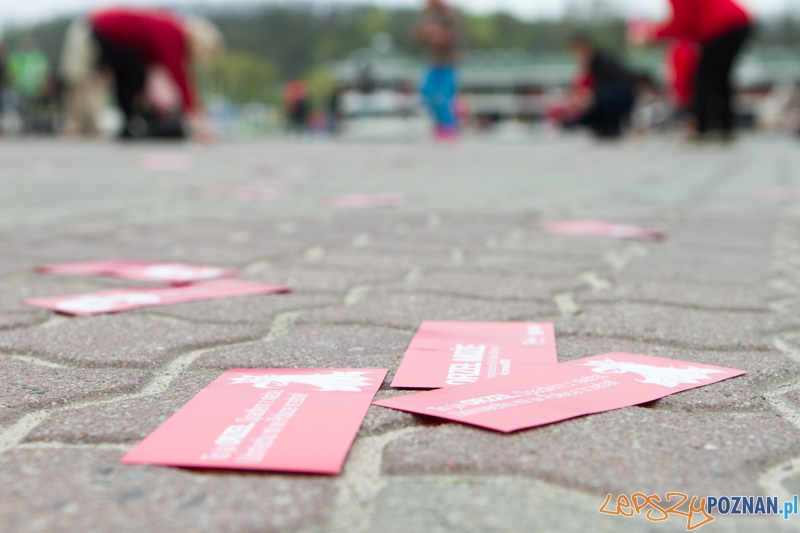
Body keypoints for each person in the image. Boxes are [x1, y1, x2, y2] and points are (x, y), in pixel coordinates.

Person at [60, 8, 223, 140]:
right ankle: (114, 124)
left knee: (134, 77)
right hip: (99, 29)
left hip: (111, 36)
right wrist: (200, 124)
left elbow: (152, 68)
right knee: (89, 82)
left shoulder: (169, 30)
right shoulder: (173, 34)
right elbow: (181, 80)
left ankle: (128, 124)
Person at [652, 0, 753, 139]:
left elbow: (682, 24)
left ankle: (703, 127)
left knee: (704, 78)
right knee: (720, 77)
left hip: (722, 26)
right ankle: (725, 126)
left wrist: (651, 34)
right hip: (735, 22)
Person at [569, 35, 638, 138]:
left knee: (604, 95)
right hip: (617, 96)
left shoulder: (602, 61)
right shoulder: (593, 63)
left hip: (621, 97)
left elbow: (622, 81)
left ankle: (610, 127)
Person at [415, 0, 461, 139]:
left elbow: (448, 37)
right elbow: (419, 37)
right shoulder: (430, 15)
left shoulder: (449, 14)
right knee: (426, 92)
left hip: (447, 63)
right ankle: (440, 124)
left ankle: (449, 127)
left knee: (444, 96)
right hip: (433, 62)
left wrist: (434, 34)